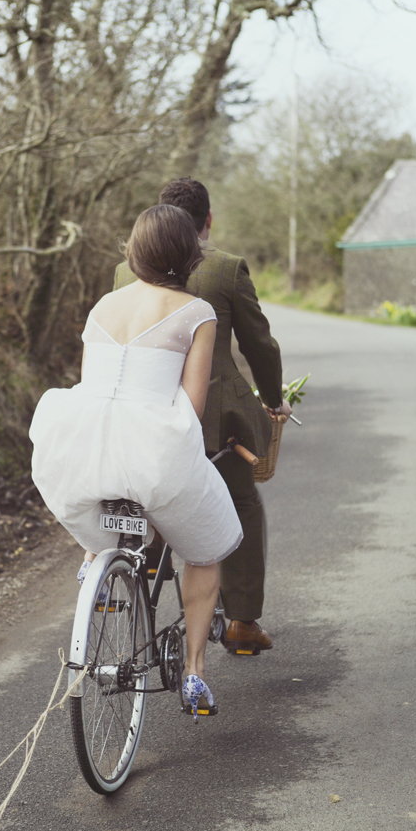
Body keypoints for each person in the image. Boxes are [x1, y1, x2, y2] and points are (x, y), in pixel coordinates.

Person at [30, 204, 243, 719]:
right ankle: (194, 672)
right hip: (152, 447)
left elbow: (92, 386)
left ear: (136, 249)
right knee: (207, 545)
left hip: (82, 440)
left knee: (110, 495)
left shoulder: (102, 305)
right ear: (187, 252)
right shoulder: (197, 313)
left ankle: (97, 561)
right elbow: (190, 407)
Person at [114, 178, 289, 654]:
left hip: (144, 409)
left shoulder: (123, 275)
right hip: (216, 419)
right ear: (206, 221)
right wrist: (273, 399)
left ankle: (145, 563)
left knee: (145, 488)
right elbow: (259, 345)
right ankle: (242, 624)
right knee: (241, 501)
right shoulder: (226, 269)